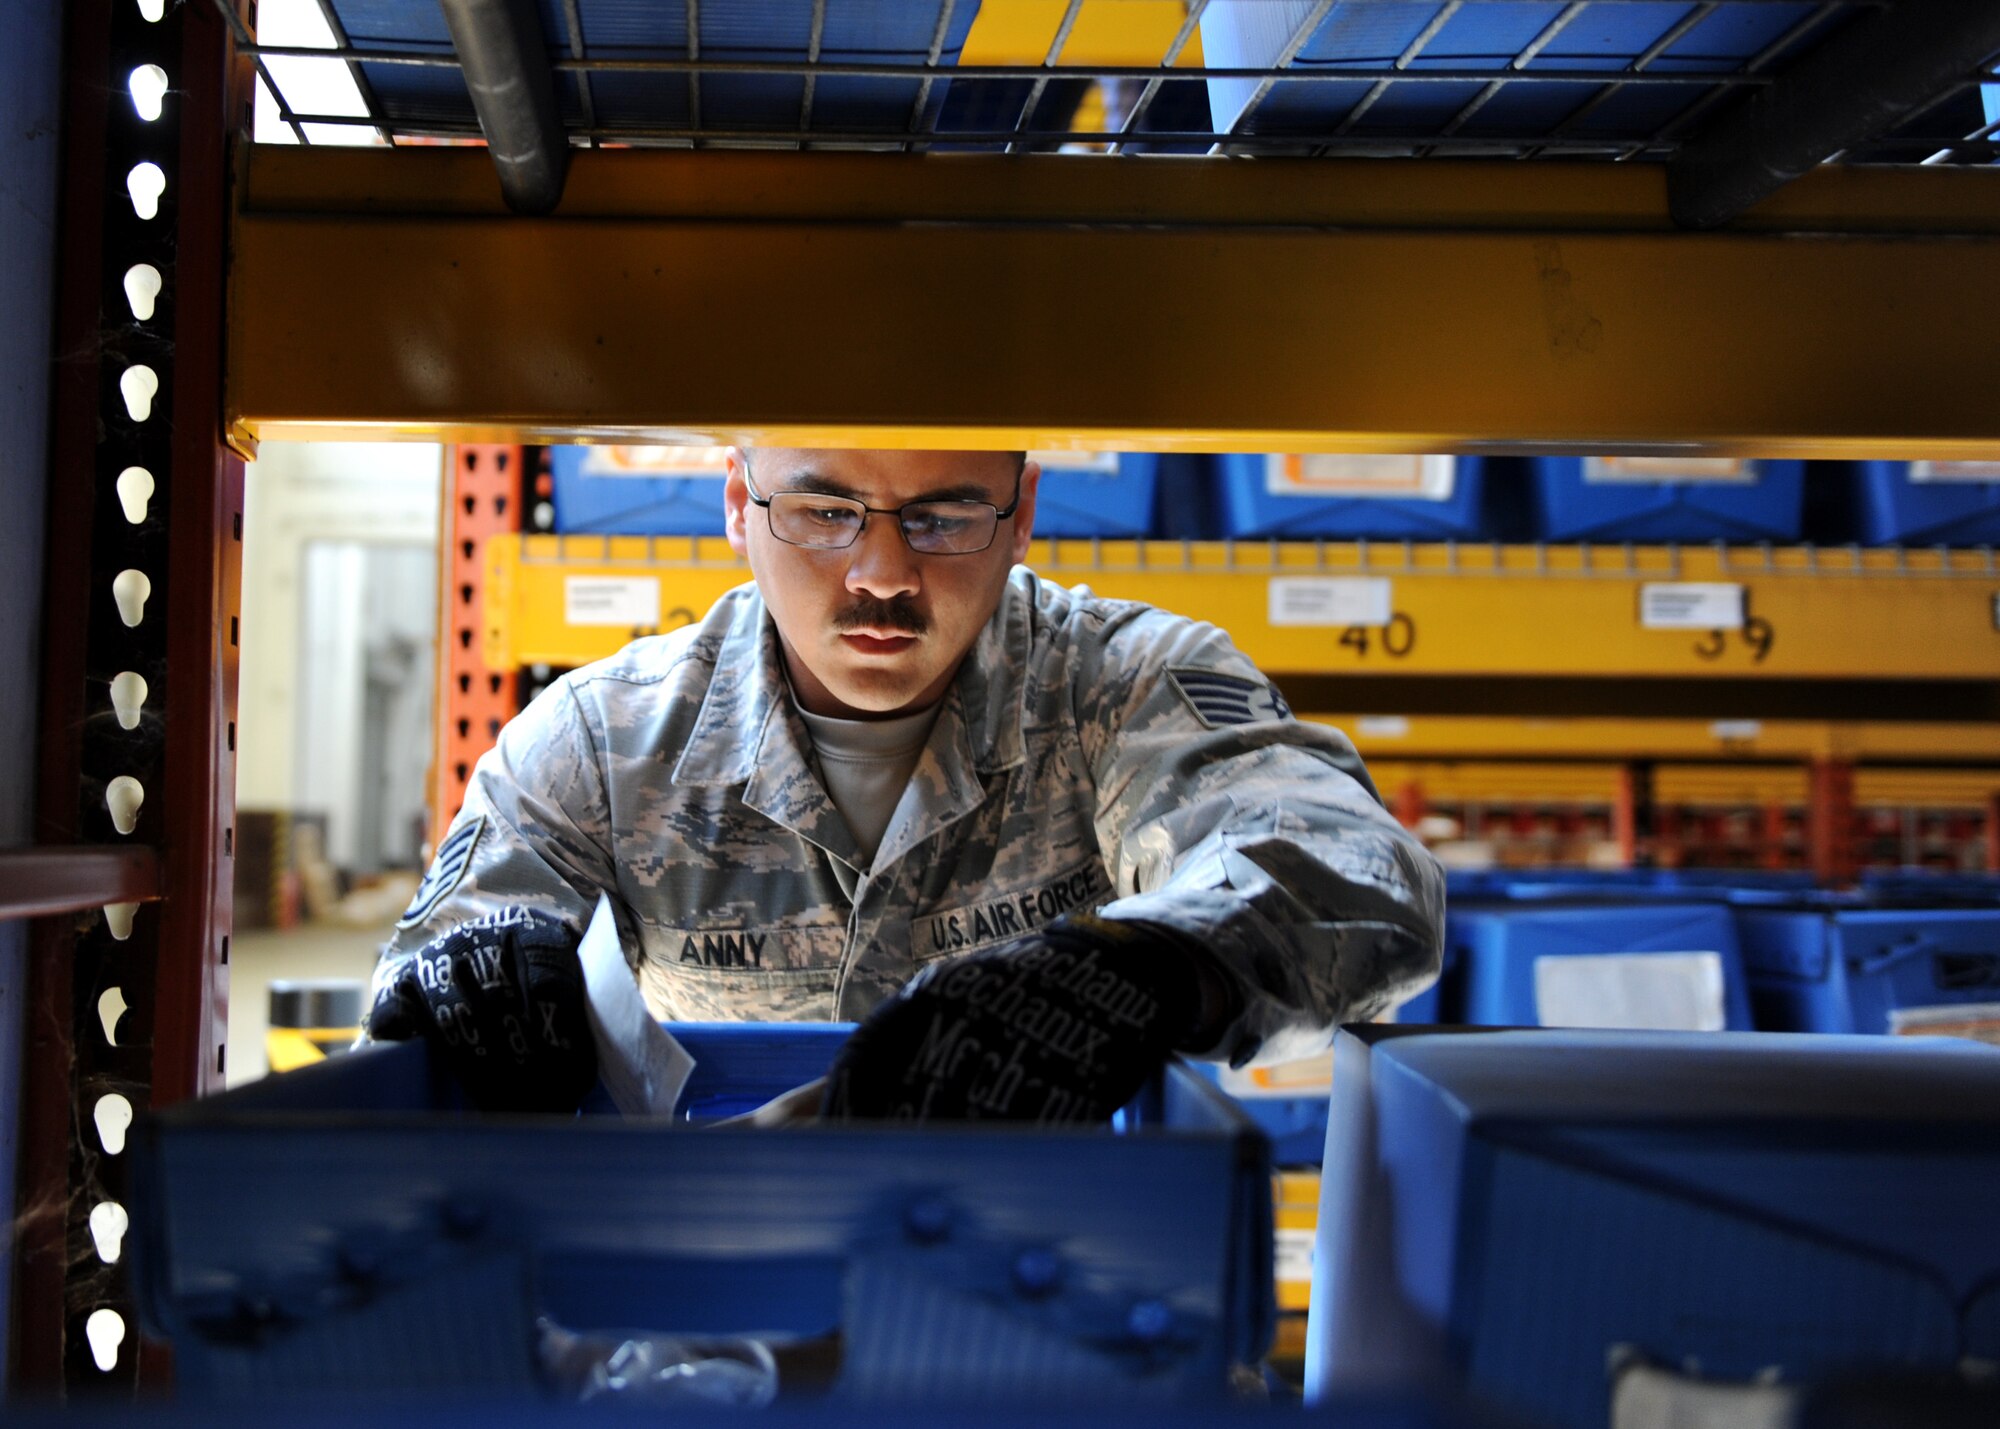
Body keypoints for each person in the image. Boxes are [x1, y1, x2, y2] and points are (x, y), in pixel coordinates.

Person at [366, 448, 1444, 1121]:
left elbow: (1352, 877)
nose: (881, 572)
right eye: (825, 511)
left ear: (1022, 511)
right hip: (712, 1305)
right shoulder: (599, 747)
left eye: (942, 516)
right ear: (739, 503)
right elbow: (436, 963)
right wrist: (462, 986)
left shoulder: (1124, 685)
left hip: (1040, 1306)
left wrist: (1151, 969)